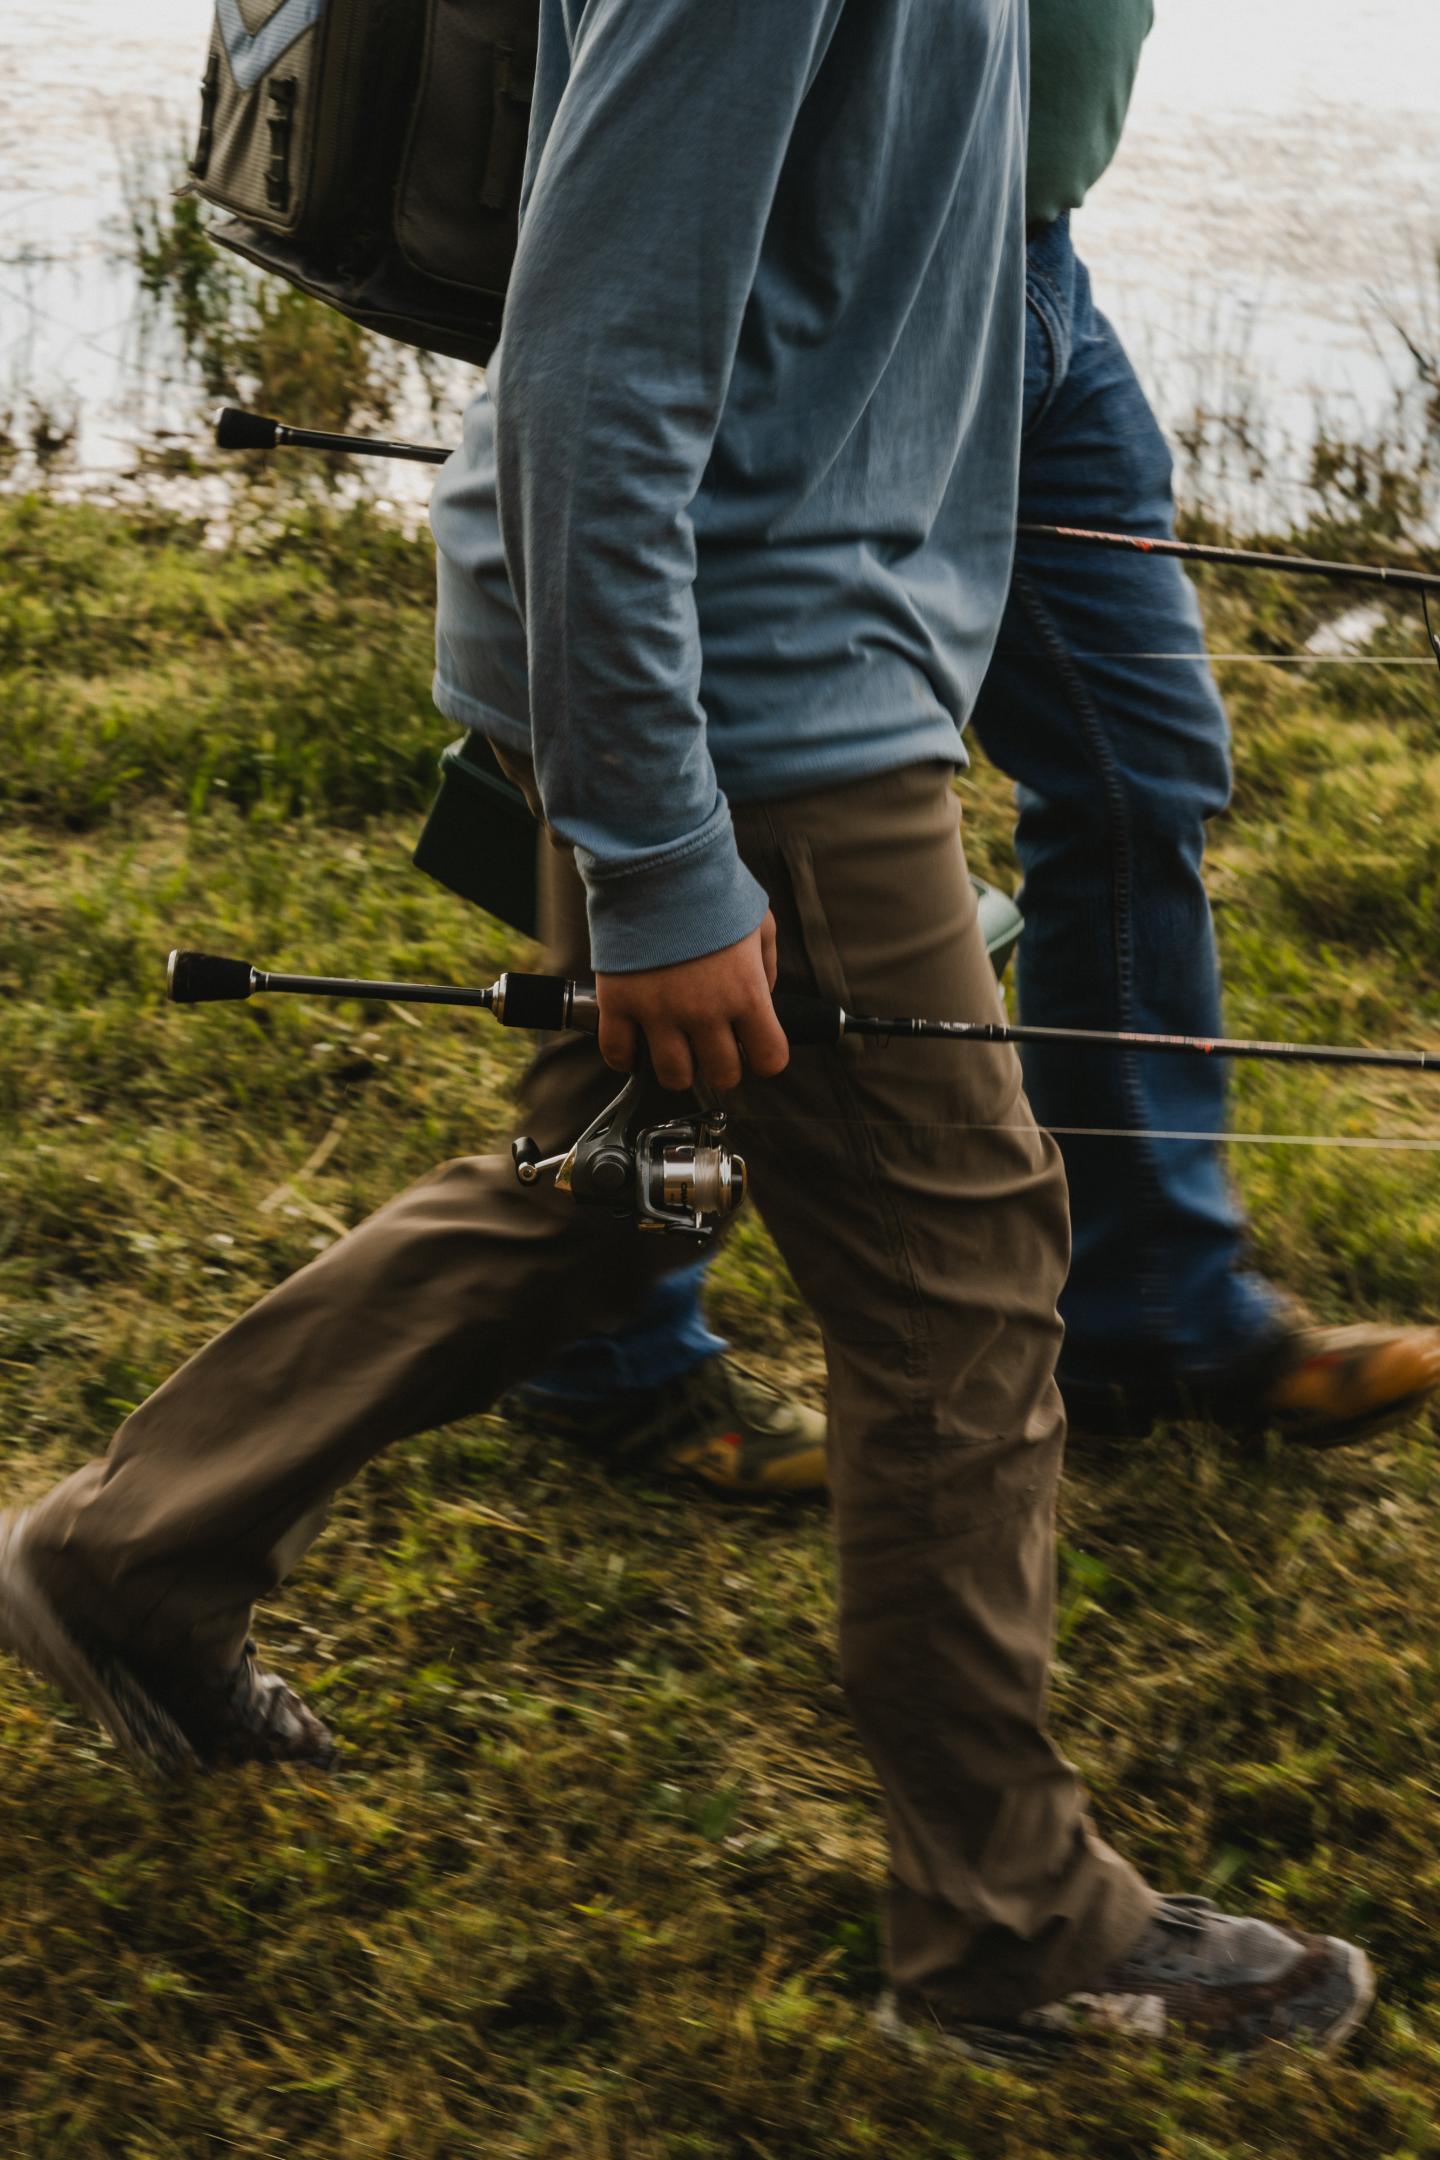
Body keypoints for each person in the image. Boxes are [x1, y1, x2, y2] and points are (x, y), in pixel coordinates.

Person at [0, 0, 1372, 2062]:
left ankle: (130, 1558)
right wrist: (657, 850)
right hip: (749, 700)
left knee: (618, 1184)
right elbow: (593, 358)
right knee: (962, 1274)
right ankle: (1013, 1930)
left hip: (749, 652)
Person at [508, 0, 1440, 1499]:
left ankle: (1151, 1309)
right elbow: (603, 343)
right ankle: (607, 1342)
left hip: (1036, 269)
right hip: (847, 276)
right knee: (758, 801)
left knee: (1141, 763)